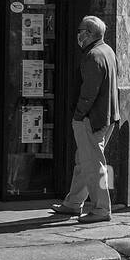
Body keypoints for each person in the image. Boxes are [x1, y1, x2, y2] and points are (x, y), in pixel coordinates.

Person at [51, 15, 121, 223]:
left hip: (92, 118)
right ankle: (73, 203)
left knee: (92, 164)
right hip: (107, 116)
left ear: (89, 34)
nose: (78, 34)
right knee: (84, 161)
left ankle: (101, 209)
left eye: (81, 30)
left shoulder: (92, 56)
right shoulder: (107, 51)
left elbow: (88, 92)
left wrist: (79, 114)